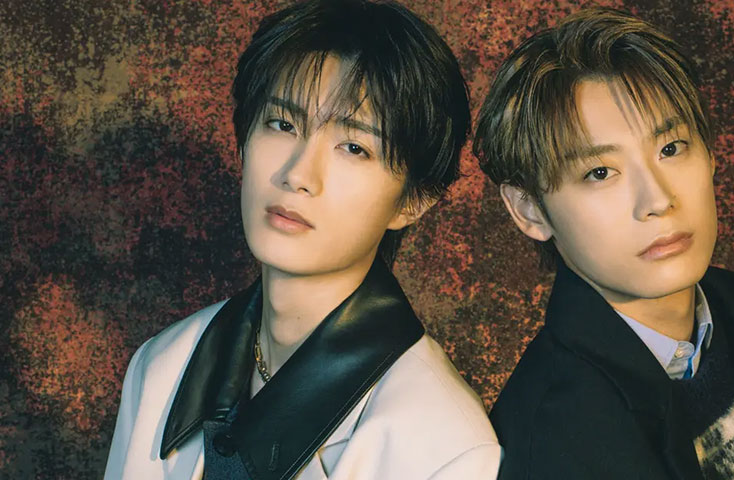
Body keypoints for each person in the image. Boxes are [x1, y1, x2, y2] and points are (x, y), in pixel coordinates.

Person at [105, 1, 501, 478]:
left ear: (412, 201)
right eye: (283, 124)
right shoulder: (159, 367)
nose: (297, 174)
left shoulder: (445, 447)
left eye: (354, 147)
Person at [474, 8, 734, 480]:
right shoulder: (546, 441)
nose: (657, 199)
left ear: (710, 153)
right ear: (530, 210)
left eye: (670, 148)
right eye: (600, 172)